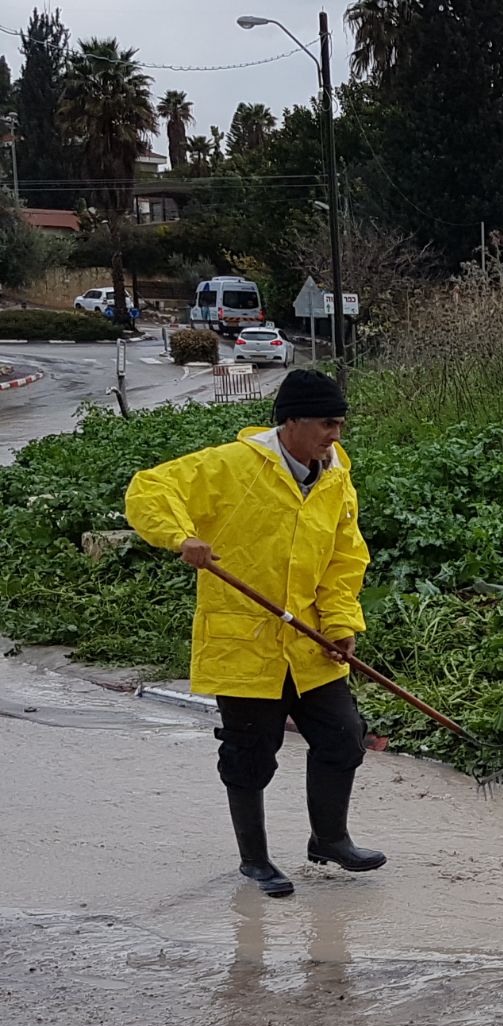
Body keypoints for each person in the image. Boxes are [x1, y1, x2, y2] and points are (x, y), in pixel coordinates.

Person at [125, 369, 385, 898]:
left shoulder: (336, 477)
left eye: (340, 423)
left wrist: (340, 623)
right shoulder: (232, 466)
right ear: (291, 422)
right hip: (242, 642)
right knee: (251, 754)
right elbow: (150, 488)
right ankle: (255, 860)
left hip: (308, 641)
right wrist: (181, 537)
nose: (336, 434)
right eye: (327, 423)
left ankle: (330, 839)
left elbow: (345, 559)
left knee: (343, 737)